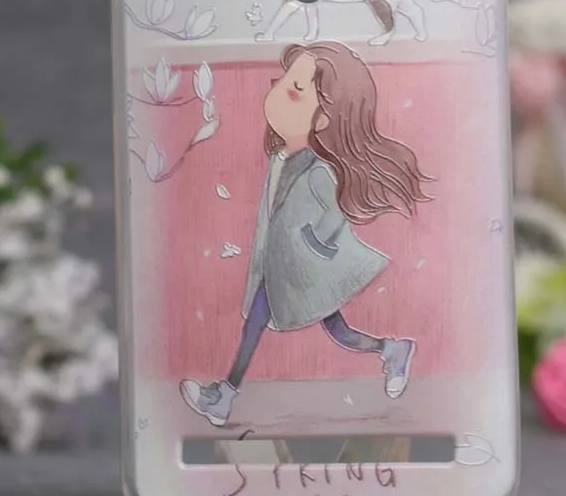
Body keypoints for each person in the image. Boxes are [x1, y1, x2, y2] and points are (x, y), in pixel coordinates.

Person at [180, 41, 431, 427]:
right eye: (282, 82)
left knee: (293, 327)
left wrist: (317, 242)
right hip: (282, 269)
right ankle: (393, 349)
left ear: (323, 118)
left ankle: (223, 396)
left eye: (294, 90)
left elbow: (337, 210)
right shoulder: (280, 158)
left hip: (306, 271)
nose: (278, 93)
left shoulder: (316, 171)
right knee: (334, 330)